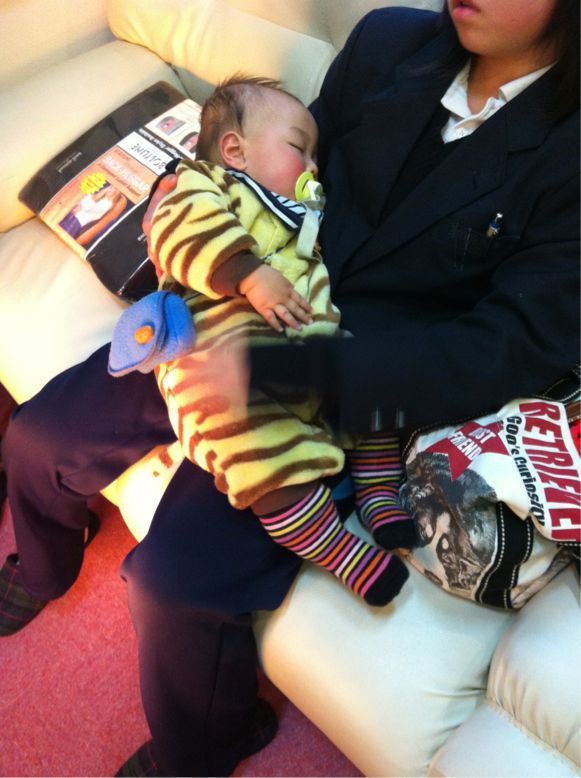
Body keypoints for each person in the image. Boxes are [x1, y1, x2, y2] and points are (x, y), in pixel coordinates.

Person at [0, 1, 578, 776]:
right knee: (40, 437)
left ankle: (204, 749)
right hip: (238, 308)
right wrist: (191, 200)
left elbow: (500, 351)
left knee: (172, 584)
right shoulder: (388, 42)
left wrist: (279, 371)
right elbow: (281, 162)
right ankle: (44, 565)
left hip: (346, 381)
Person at [146, 75, 413, 607]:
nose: (313, 168)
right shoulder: (206, 184)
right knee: (259, 460)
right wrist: (246, 273)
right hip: (224, 361)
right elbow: (179, 232)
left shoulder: (299, 217)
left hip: (309, 349)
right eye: (299, 148)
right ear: (234, 151)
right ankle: (338, 551)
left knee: (377, 383)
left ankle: (379, 492)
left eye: (315, 157)